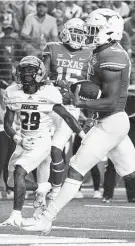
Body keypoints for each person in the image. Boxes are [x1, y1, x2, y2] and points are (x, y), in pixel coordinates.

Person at [21, 9, 135, 234]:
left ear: (110, 31)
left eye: (93, 29)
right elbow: (97, 90)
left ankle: (46, 218)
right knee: (132, 172)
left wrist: (81, 103)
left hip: (111, 121)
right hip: (110, 121)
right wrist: (76, 91)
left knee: (75, 169)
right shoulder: (102, 51)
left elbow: (110, 101)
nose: (88, 33)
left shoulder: (112, 56)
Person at [0, 56, 85, 226]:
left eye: (31, 71)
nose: (26, 75)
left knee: (19, 171)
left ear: (39, 73)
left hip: (41, 140)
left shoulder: (49, 92)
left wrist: (83, 136)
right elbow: (8, 124)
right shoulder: (12, 92)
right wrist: (18, 138)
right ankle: (42, 187)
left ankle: (16, 215)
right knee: (10, 182)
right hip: (23, 140)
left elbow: (67, 117)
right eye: (24, 71)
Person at [43, 18, 91, 200]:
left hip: (71, 106)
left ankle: (55, 190)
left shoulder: (89, 52)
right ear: (65, 32)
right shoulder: (53, 47)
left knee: (56, 149)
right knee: (41, 150)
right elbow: (43, 74)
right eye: (75, 33)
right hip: (48, 105)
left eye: (81, 34)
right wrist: (55, 82)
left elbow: (92, 84)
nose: (78, 37)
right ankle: (39, 185)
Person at [102, 93, 135, 203]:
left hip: (129, 137)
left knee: (130, 166)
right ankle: (107, 195)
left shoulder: (132, 98)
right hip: (114, 135)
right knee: (111, 166)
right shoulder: (110, 98)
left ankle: (132, 196)